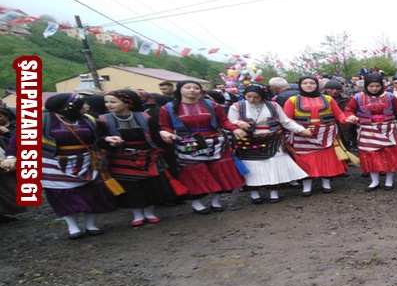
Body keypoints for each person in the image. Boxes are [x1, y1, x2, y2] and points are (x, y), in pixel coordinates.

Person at [26, 94, 117, 238]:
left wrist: (107, 139)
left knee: (93, 193)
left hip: (86, 161)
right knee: (64, 196)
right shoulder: (42, 121)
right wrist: (12, 156)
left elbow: (97, 138)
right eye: (82, 104)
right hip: (55, 164)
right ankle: (73, 227)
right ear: (69, 107)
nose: (87, 106)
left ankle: (91, 225)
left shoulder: (89, 119)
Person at [159, 80, 247, 214]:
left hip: (216, 141)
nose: (192, 90)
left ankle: (216, 201)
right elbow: (164, 126)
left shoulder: (211, 105)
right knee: (195, 172)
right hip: (189, 142)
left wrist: (234, 128)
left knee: (219, 171)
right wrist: (165, 132)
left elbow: (223, 121)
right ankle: (197, 203)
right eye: (188, 87)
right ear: (179, 90)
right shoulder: (168, 108)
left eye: (196, 88)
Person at [96, 90, 180, 226]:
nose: (108, 105)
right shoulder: (102, 120)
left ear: (127, 103)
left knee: (151, 185)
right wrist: (108, 140)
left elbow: (155, 134)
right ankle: (137, 215)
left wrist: (164, 134)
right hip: (121, 158)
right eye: (106, 102)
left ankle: (149, 212)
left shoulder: (145, 117)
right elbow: (99, 139)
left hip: (147, 155)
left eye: (113, 102)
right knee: (131, 187)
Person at [228, 84, 311, 203]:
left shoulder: (273, 105)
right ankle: (254, 194)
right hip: (248, 141)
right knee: (252, 166)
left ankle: (274, 193)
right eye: (249, 96)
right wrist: (237, 123)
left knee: (274, 165)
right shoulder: (236, 107)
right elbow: (229, 122)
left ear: (263, 96)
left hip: (273, 139)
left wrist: (301, 130)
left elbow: (286, 121)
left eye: (256, 97)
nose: (251, 100)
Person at [344, 73, 397, 191]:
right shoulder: (357, 97)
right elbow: (348, 110)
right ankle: (375, 181)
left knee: (389, 154)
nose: (374, 89)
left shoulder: (389, 96)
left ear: (382, 85)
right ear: (366, 86)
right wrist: (351, 117)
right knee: (371, 155)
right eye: (371, 86)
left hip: (388, 128)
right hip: (367, 130)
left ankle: (389, 181)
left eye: (377, 86)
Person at [283, 76, 350, 196]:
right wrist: (300, 130)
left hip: (326, 134)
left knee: (326, 159)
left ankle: (326, 184)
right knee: (304, 160)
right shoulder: (292, 100)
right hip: (302, 135)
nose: (309, 85)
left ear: (317, 85)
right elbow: (286, 120)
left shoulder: (328, 99)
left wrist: (346, 120)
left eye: (312, 83)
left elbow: (339, 114)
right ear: (300, 85)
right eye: (305, 83)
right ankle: (307, 187)